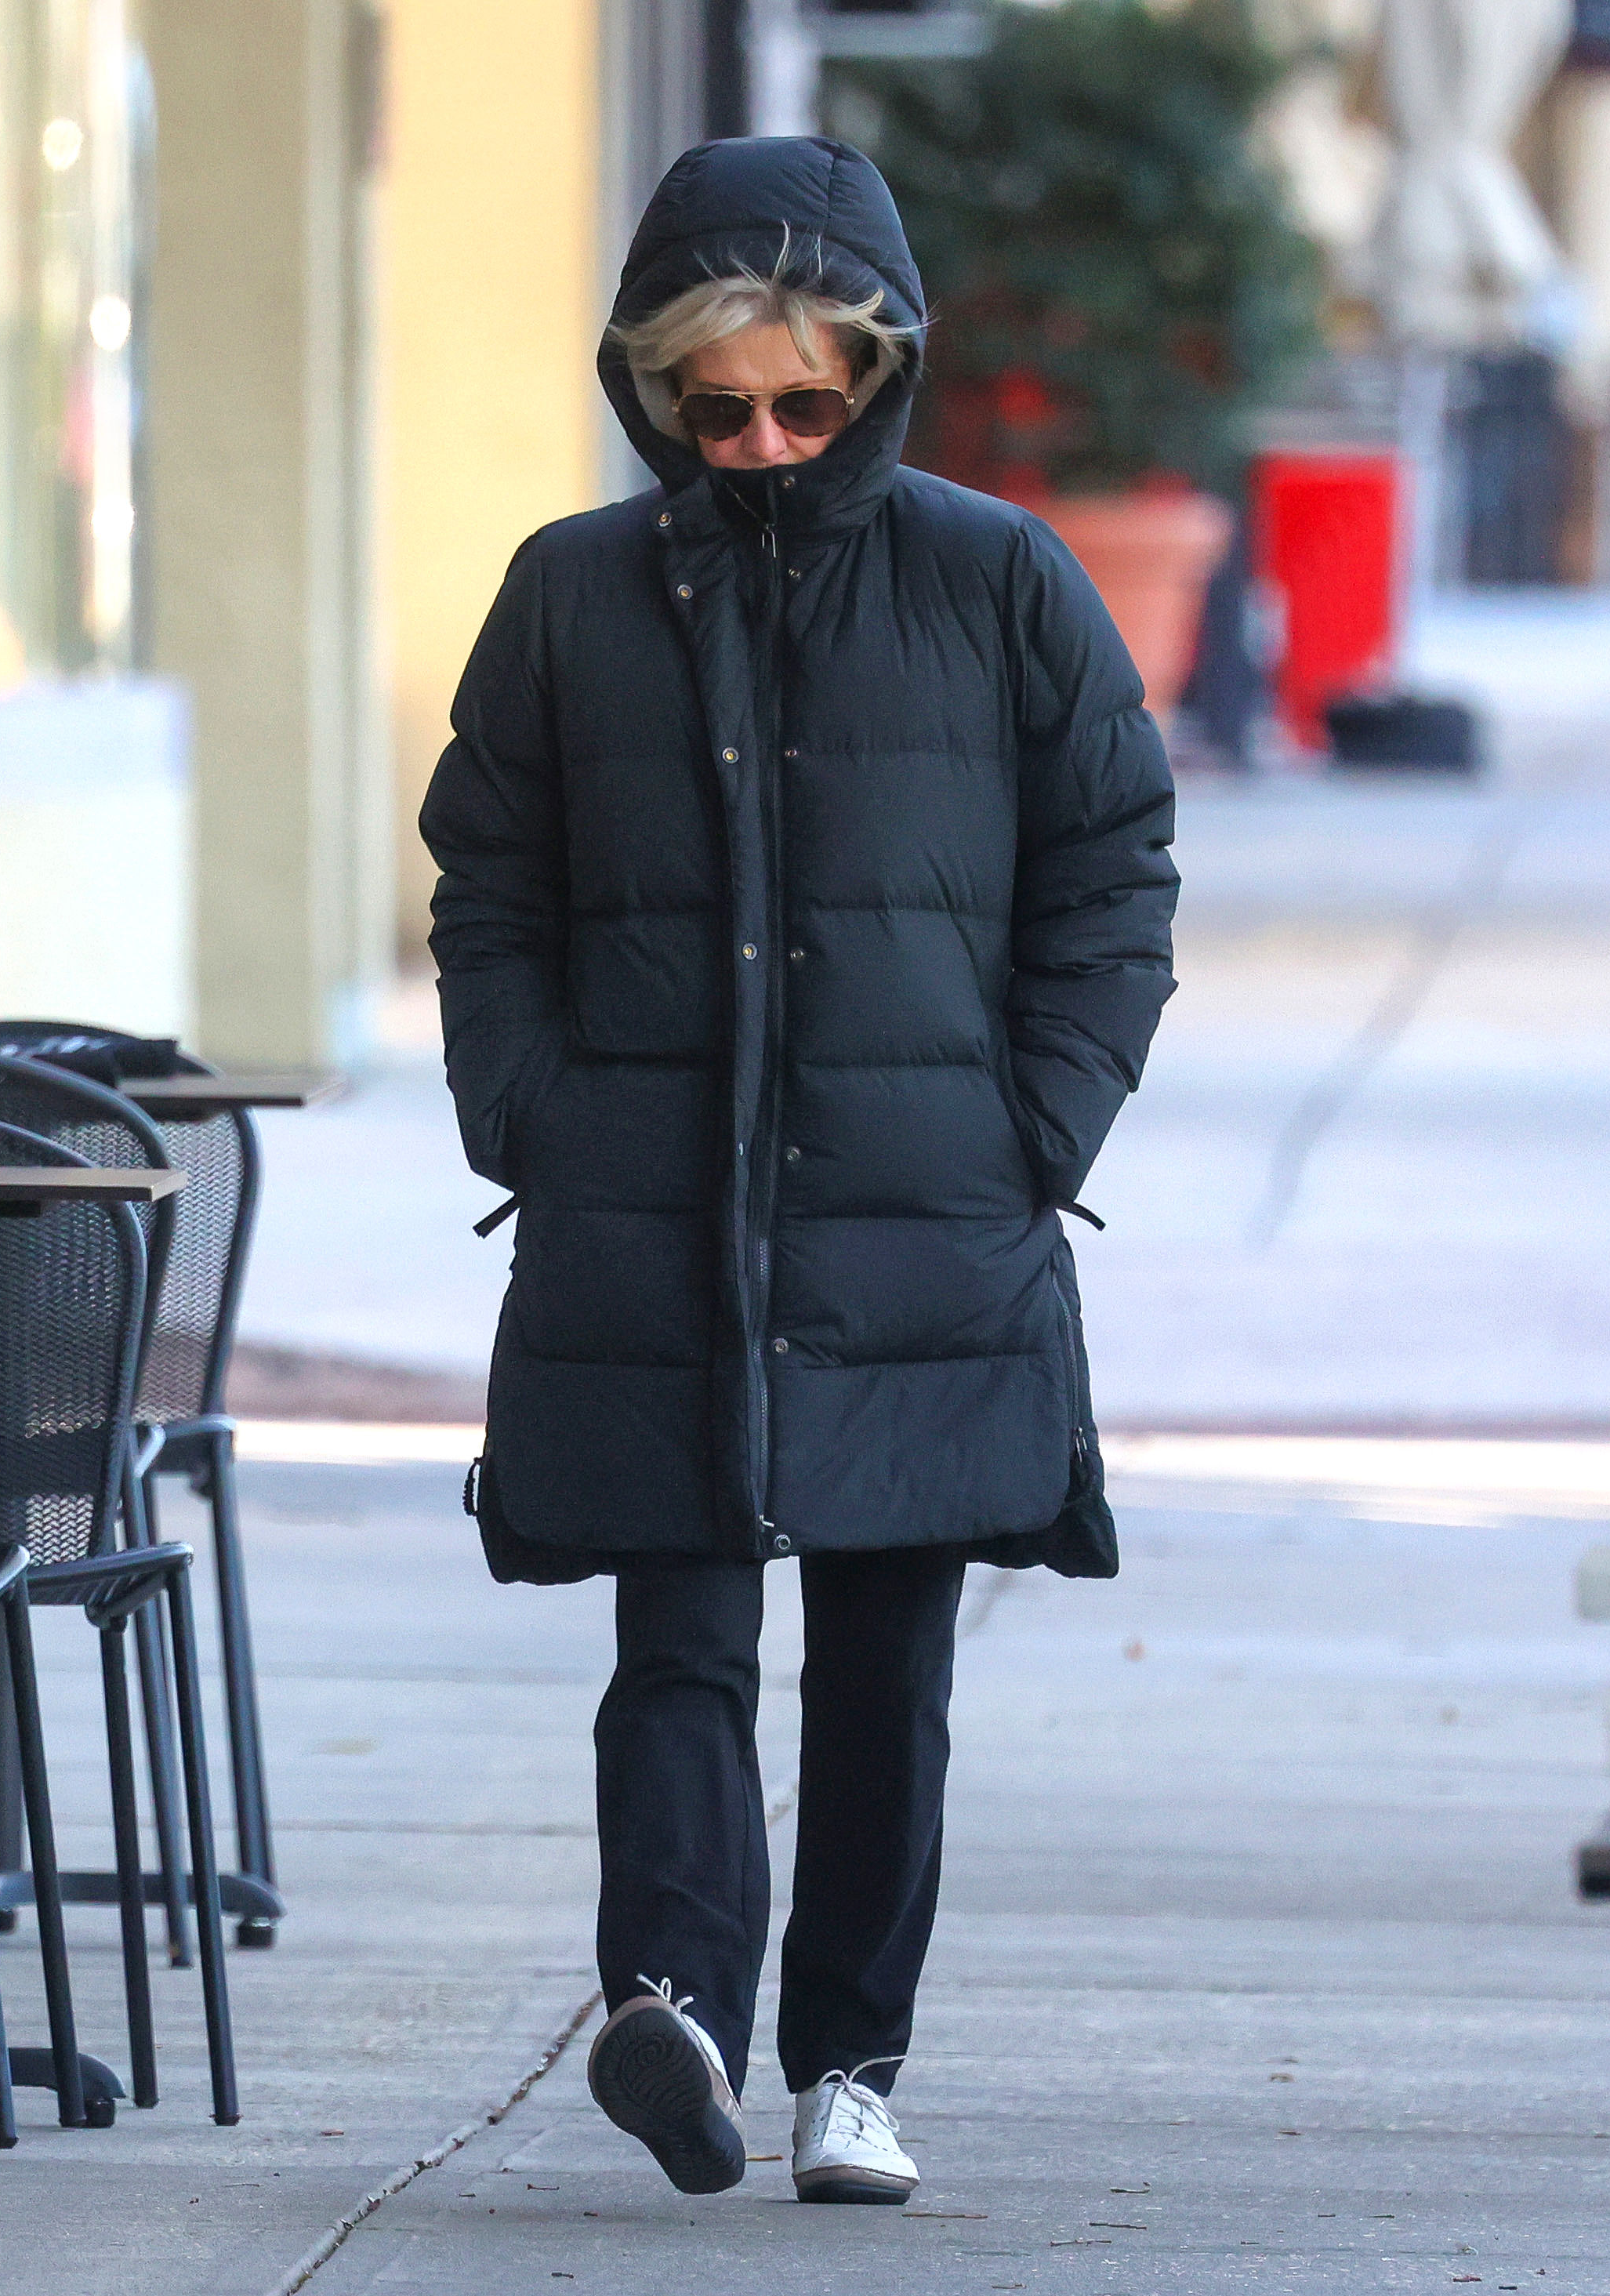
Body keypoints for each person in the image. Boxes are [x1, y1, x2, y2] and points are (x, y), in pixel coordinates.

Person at [418, 137, 1176, 2206]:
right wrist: (526, 1108)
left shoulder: (993, 580)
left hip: (927, 1215)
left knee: (882, 1673)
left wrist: (1039, 1123)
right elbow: (485, 874)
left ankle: (851, 2063)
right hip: (649, 1216)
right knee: (672, 1639)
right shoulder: (573, 596)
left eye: (799, 407)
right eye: (714, 409)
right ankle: (664, 1999)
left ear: (868, 378)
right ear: (657, 397)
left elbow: (1116, 865)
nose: (757, 446)